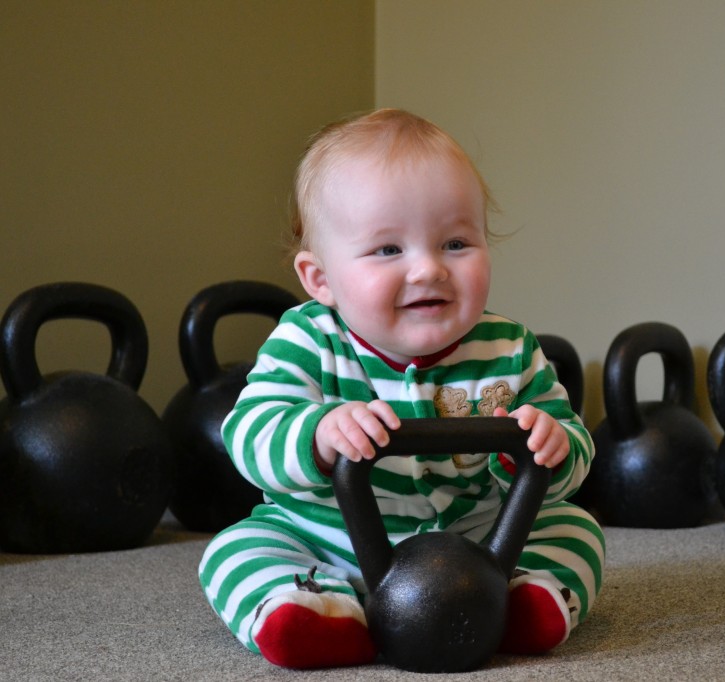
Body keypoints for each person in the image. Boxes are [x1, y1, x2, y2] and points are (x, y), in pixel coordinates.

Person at [198, 109, 605, 669]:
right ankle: (316, 611)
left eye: (456, 243)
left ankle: (523, 602)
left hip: (481, 542)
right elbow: (247, 434)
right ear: (321, 280)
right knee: (233, 550)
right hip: (327, 540)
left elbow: (572, 450)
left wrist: (551, 447)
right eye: (389, 250)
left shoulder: (509, 348)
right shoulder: (308, 339)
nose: (428, 269)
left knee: (576, 529)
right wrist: (316, 433)